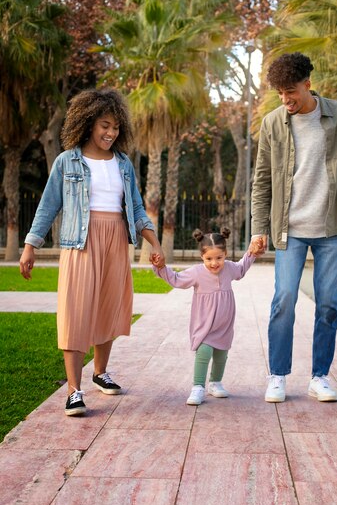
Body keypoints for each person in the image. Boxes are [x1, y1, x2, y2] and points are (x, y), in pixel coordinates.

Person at [251, 52, 337, 404]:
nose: (286, 100)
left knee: (328, 304)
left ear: (307, 84)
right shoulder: (272, 123)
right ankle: (278, 375)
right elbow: (262, 180)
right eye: (280, 94)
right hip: (289, 229)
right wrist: (258, 228)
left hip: (331, 228)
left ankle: (320, 376)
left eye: (291, 92)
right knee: (284, 300)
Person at [19, 88, 165, 416]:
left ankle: (100, 372)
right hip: (80, 243)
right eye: (104, 125)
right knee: (76, 311)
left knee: (108, 308)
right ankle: (74, 389)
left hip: (115, 239)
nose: (110, 132)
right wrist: (30, 246)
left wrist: (154, 243)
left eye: (115, 126)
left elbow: (137, 208)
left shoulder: (124, 164)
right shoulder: (67, 161)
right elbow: (47, 207)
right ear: (88, 123)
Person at [153, 228, 263, 405]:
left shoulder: (229, 268)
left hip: (224, 323)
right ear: (201, 257)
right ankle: (198, 386)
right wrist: (160, 267)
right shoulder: (196, 272)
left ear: (225, 254)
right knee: (204, 351)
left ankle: (215, 382)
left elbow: (242, 268)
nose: (214, 263)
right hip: (204, 322)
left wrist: (252, 252)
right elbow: (176, 279)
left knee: (221, 353)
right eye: (209, 259)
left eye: (219, 258)